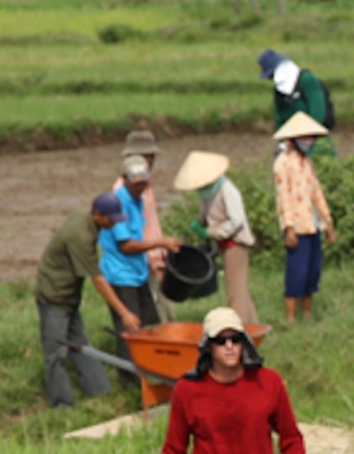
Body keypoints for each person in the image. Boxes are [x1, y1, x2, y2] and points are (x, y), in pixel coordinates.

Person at [158, 306, 307, 454]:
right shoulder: (187, 392)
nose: (229, 346)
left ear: (245, 342)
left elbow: (291, 438)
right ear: (208, 346)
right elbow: (174, 450)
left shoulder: (268, 383)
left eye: (235, 339)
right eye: (221, 340)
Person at [34, 193, 137, 407]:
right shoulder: (79, 235)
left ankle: (101, 392)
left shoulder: (87, 220)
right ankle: (63, 405)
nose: (114, 223)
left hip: (70, 294)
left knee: (81, 345)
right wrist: (124, 313)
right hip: (54, 295)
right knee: (56, 352)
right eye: (111, 218)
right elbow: (98, 281)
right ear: (98, 215)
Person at [173, 151, 258, 326]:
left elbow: (236, 220)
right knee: (240, 290)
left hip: (236, 243)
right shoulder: (209, 192)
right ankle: (254, 328)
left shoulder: (228, 190)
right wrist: (200, 220)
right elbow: (209, 210)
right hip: (225, 244)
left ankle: (239, 332)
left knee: (235, 293)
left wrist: (211, 232)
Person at [101, 158, 183, 338]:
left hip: (137, 273)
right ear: (124, 179)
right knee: (131, 329)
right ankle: (127, 366)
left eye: (143, 183)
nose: (140, 187)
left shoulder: (137, 200)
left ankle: (149, 365)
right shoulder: (119, 204)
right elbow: (126, 245)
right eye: (136, 184)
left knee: (151, 323)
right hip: (121, 275)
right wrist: (161, 243)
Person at [272, 112, 336, 321]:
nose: (309, 142)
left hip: (312, 224)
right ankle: (290, 317)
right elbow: (284, 198)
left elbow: (316, 192)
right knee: (296, 273)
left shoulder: (307, 162)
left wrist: (327, 221)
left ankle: (307, 314)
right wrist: (288, 228)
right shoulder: (282, 163)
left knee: (312, 271)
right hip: (297, 226)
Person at [119, 130, 173, 322]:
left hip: (154, 257)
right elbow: (129, 234)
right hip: (141, 261)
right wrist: (150, 257)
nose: (150, 161)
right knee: (155, 316)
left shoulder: (145, 186)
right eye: (145, 156)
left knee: (164, 313)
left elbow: (150, 223)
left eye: (151, 156)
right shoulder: (124, 191)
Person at [257, 49, 334, 152]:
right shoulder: (279, 91)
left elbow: (318, 112)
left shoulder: (307, 80)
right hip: (292, 142)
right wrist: (283, 142)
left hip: (314, 140)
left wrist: (305, 138)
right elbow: (280, 117)